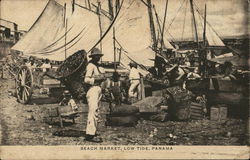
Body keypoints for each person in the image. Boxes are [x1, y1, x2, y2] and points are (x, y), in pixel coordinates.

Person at [84, 48, 106, 143]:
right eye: (96, 56)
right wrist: (97, 79)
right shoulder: (91, 66)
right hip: (92, 89)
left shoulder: (99, 66)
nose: (98, 57)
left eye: (99, 56)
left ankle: (93, 131)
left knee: (96, 111)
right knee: (93, 111)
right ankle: (90, 135)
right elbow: (86, 80)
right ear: (92, 57)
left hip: (98, 90)